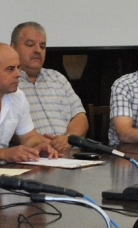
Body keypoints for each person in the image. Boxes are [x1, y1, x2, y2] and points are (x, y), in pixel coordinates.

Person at [11, 21, 88, 155]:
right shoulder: (8, 82)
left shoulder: (57, 78)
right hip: (33, 156)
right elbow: (7, 129)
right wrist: (51, 144)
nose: (37, 50)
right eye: (30, 44)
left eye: (42, 46)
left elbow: (80, 117)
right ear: (13, 48)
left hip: (70, 155)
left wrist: (69, 138)